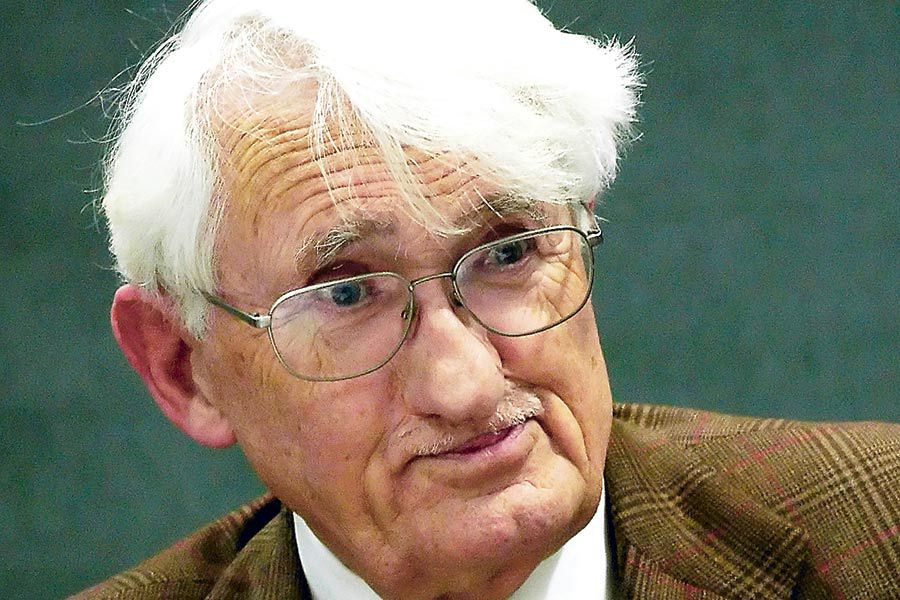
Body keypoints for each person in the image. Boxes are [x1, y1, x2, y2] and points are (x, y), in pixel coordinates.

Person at [75, 1, 899, 598]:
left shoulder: (878, 536)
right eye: (349, 293)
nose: (464, 385)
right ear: (185, 367)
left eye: (508, 252)